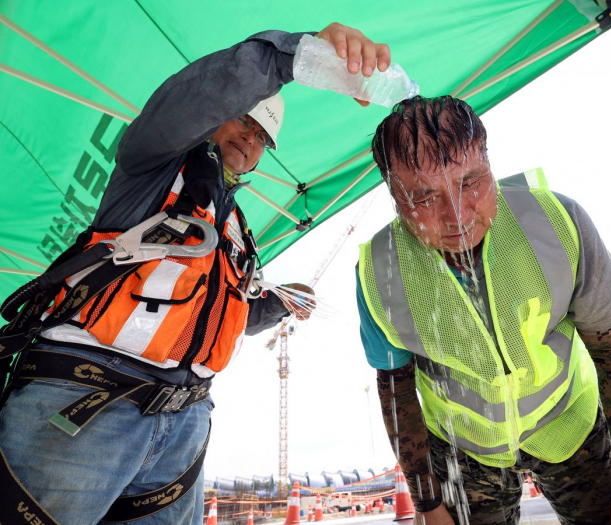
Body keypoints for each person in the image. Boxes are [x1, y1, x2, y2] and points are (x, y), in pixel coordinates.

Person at [0, 22, 391, 524]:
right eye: (243, 124)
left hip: (183, 424)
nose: (249, 143)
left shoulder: (235, 229)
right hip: (85, 405)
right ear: (217, 119)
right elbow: (187, 104)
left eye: (261, 140)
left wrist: (273, 307)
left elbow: (203, 314)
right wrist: (290, 59)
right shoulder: (152, 167)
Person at [356, 96, 611, 525]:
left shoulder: (557, 221)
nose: (457, 216)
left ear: (489, 162)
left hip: (570, 427)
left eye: (471, 182)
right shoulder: (380, 270)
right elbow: (397, 397)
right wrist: (428, 505)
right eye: (425, 197)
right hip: (464, 451)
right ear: (393, 195)